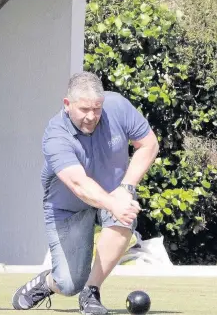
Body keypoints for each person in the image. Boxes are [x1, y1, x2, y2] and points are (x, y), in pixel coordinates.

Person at [12, 72, 159, 314]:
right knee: (69, 283)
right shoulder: (55, 135)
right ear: (67, 105)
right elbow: (79, 184)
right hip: (68, 204)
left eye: (97, 109)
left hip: (114, 191)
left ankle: (91, 292)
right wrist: (113, 203)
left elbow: (149, 144)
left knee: (125, 214)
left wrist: (127, 187)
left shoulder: (118, 106)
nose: (91, 116)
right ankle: (48, 282)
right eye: (84, 110)